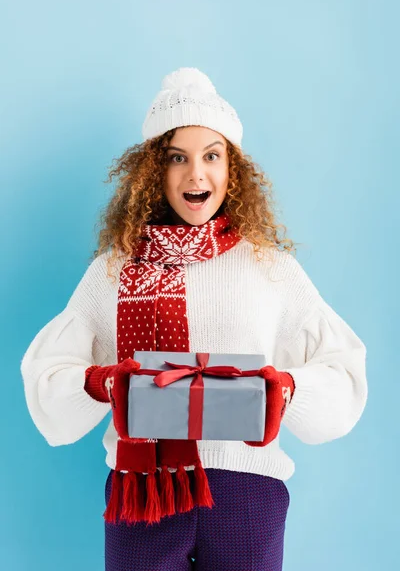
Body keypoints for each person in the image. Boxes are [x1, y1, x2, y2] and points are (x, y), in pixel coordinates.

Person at [20, 67, 368, 571]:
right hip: (140, 497)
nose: (196, 175)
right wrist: (102, 383)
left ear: (234, 169)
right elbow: (47, 376)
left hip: (245, 491)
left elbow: (343, 369)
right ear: (153, 172)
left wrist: (285, 388)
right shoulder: (114, 270)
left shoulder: (271, 267)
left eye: (212, 156)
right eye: (177, 158)